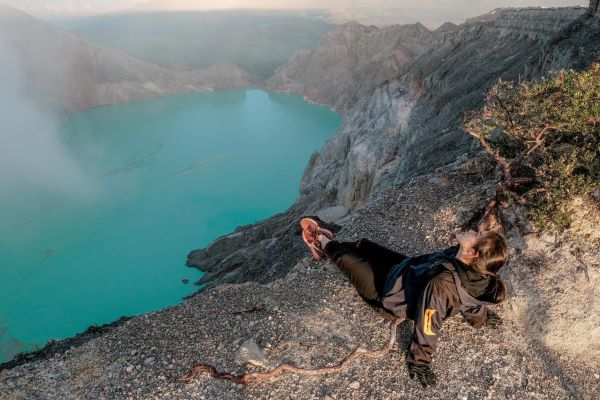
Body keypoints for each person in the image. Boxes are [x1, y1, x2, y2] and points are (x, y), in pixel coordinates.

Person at [300, 217, 509, 388]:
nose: (474, 231)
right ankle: (332, 245)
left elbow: (429, 322)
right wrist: (480, 319)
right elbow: (472, 297)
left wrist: (420, 362)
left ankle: (321, 242)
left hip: (386, 294)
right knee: (365, 246)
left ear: (473, 254)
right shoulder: (480, 271)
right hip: (407, 271)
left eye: (478, 235)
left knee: (345, 258)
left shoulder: (441, 285)